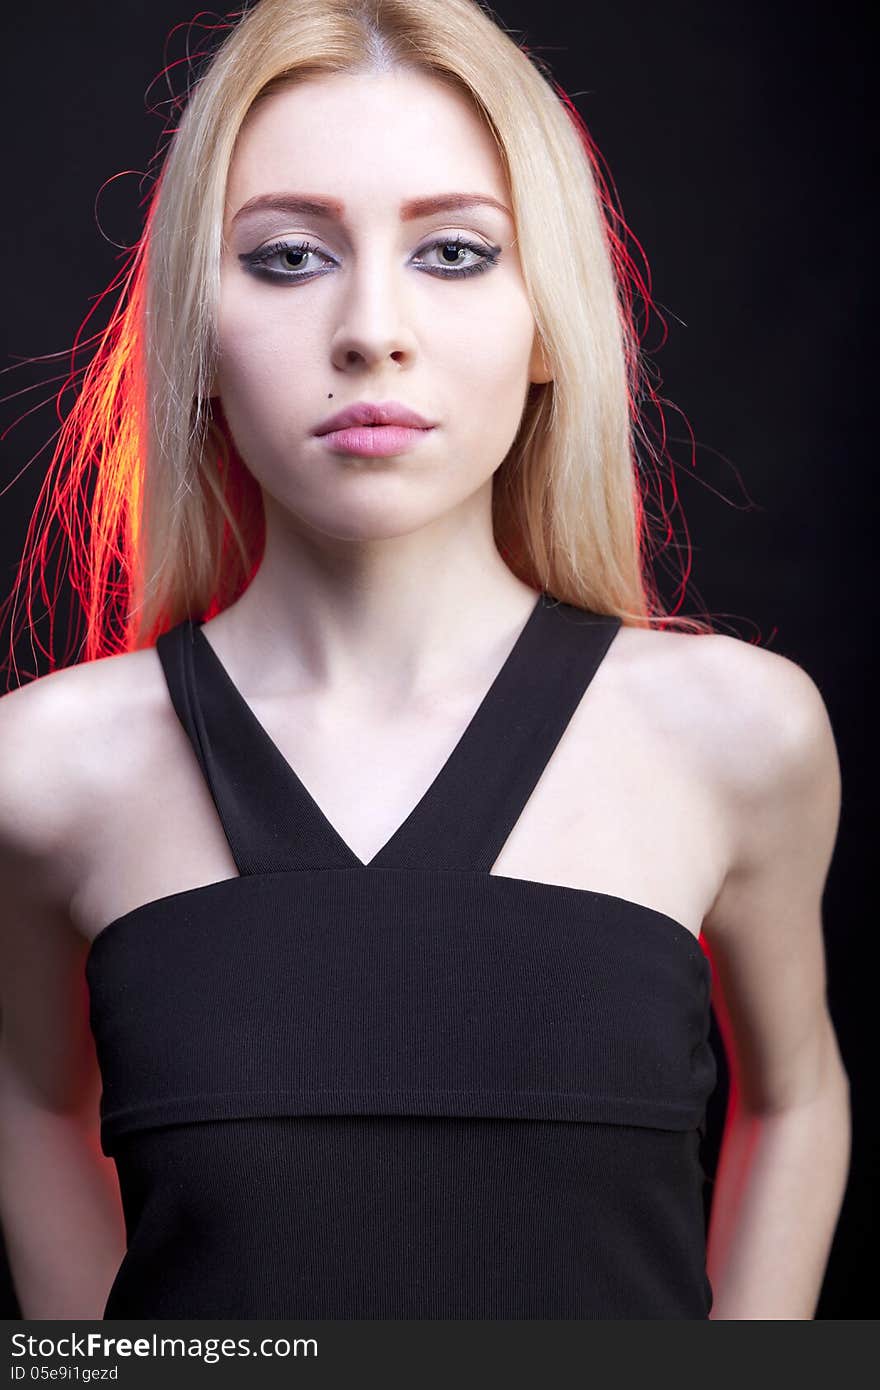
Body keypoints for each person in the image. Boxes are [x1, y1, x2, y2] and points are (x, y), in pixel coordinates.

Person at [0, 0, 850, 1321]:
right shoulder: (47, 768)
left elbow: (797, 1097)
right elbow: (34, 1099)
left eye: (455, 251)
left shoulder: (737, 735)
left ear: (550, 321)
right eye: (287, 258)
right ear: (197, 332)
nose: (371, 329)